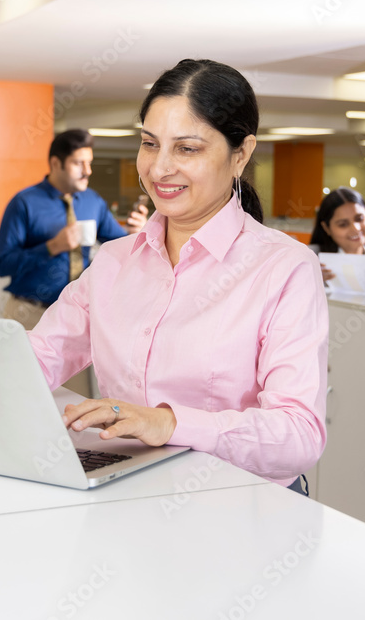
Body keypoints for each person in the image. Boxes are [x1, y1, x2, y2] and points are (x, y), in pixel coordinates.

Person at [28, 59, 328, 495]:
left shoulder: (283, 267)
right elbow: (36, 360)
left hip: (243, 505)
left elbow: (300, 436)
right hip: (131, 489)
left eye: (187, 149)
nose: (159, 168)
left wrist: (168, 423)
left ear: (240, 154)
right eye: (150, 144)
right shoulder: (113, 262)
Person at [0, 129, 147, 330]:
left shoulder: (93, 202)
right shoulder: (24, 203)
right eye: (78, 163)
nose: (88, 171)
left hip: (80, 313)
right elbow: (3, 264)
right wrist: (52, 247)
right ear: (56, 164)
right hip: (31, 313)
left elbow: (118, 247)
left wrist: (136, 233)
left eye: (89, 163)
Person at [310, 186, 365, 282]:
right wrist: (311, 282)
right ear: (326, 228)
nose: (356, 229)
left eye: (359, 219)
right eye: (343, 224)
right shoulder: (313, 268)